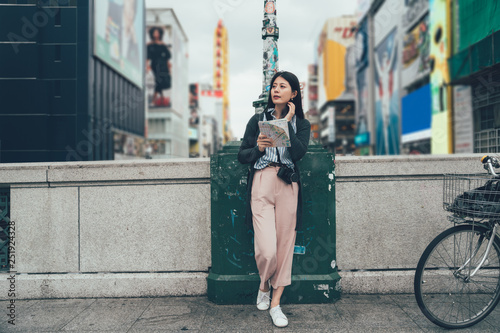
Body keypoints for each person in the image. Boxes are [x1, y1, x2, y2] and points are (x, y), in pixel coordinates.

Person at [238, 71, 311, 328]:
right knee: (267, 249)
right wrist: (257, 148)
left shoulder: (301, 124)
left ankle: (276, 303)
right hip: (262, 182)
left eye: (283, 86)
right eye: (274, 86)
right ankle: (264, 284)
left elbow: (299, 153)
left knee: (284, 247)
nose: (276, 90)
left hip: (288, 183)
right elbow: (241, 155)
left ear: (294, 94)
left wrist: (289, 122)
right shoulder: (258, 120)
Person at [146, 27, 172, 107]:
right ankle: (154, 100)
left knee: (162, 82)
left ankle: (161, 98)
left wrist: (169, 68)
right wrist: (147, 66)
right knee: (158, 81)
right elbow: (147, 57)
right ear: (152, 34)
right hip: (156, 65)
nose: (156, 34)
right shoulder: (150, 45)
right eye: (154, 32)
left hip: (164, 65)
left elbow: (168, 57)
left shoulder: (163, 44)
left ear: (160, 34)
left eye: (157, 32)